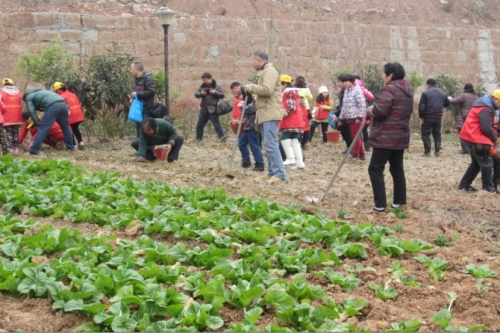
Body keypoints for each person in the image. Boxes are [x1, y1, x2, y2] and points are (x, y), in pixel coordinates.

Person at [367, 62, 414, 213]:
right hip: (400, 134)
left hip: (385, 136)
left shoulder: (390, 89)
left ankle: (380, 205)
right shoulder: (408, 90)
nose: (382, 76)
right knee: (397, 168)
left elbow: (380, 110)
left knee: (375, 168)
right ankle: (399, 202)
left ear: (391, 75)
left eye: (384, 73)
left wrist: (370, 110)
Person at [241, 51, 286, 183]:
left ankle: (279, 174)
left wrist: (251, 87)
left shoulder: (269, 71)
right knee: (268, 143)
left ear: (258, 60)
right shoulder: (265, 72)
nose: (252, 63)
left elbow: (267, 90)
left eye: (253, 61)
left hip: (270, 112)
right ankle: (272, 172)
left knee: (271, 143)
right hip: (265, 112)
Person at [457, 90, 500, 194]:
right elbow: (486, 127)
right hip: (476, 138)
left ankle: (464, 185)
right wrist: (495, 139)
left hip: (469, 135)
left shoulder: (483, 104)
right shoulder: (486, 108)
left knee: (476, 163)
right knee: (487, 163)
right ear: (495, 99)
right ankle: (488, 188)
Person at [23, 88, 74, 155]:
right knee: (66, 127)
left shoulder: (29, 97)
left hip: (53, 106)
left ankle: (34, 149)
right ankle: (70, 148)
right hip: (64, 105)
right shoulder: (41, 92)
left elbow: (31, 111)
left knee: (43, 128)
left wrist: (37, 122)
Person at [230, 82, 264, 171]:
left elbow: (250, 109)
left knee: (254, 146)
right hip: (247, 126)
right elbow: (246, 113)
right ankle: (246, 161)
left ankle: (260, 164)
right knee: (241, 143)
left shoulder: (258, 100)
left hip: (253, 126)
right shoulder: (249, 100)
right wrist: (241, 119)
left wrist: (242, 106)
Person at [279, 75, 305, 170]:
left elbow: (291, 107)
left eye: (279, 85)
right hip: (297, 121)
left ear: (285, 84)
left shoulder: (288, 93)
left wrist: (282, 114)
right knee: (295, 140)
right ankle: (300, 162)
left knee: (283, 138)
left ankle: (290, 158)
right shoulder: (293, 93)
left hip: (290, 121)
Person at [418, 78, 450, 157]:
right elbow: (447, 104)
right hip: (438, 116)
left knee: (425, 133)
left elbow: (422, 106)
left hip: (428, 116)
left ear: (428, 85)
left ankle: (427, 152)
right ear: (436, 84)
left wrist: (421, 116)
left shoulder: (425, 93)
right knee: (437, 134)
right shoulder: (443, 93)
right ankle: (437, 151)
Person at [338, 74, 367, 161]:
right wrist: (341, 118)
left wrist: (359, 116)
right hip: (349, 117)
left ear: (351, 81)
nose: (344, 84)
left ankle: (355, 154)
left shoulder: (357, 91)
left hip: (355, 117)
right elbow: (344, 106)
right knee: (354, 135)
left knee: (355, 136)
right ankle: (362, 154)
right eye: (343, 82)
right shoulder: (347, 91)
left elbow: (362, 105)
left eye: (346, 82)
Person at [194, 72, 225, 142]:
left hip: (213, 110)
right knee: (199, 125)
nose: (204, 81)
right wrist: (201, 93)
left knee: (217, 126)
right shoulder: (202, 86)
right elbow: (196, 94)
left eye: (205, 80)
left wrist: (215, 92)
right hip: (204, 109)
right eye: (203, 80)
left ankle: (223, 140)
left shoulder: (217, 86)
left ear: (210, 78)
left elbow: (222, 95)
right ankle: (198, 139)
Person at [53, 82, 85, 150]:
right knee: (75, 129)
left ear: (59, 89)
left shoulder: (61, 97)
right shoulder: (73, 94)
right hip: (78, 114)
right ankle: (81, 142)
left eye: (56, 91)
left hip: (71, 115)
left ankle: (73, 145)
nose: (56, 92)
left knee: (68, 130)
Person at [130, 61, 157, 137]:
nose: (130, 71)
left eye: (131, 69)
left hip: (146, 110)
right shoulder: (135, 79)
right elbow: (136, 91)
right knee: (139, 130)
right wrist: (133, 98)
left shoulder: (148, 78)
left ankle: (148, 148)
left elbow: (152, 91)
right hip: (138, 109)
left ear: (137, 69)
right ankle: (140, 146)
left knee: (146, 130)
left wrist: (137, 94)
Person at [449, 83, 477, 155]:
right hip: (473, 116)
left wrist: (450, 99)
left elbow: (454, 102)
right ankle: (471, 149)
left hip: (463, 115)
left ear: (464, 89)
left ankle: (465, 149)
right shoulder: (475, 96)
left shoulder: (463, 95)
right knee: (470, 132)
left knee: (462, 133)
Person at [0, 78, 23, 154]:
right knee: (16, 132)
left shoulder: (1, 92)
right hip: (17, 116)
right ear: (12, 84)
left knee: (9, 132)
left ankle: (10, 148)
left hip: (7, 116)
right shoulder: (18, 93)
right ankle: (16, 149)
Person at [354, 75, 375, 152]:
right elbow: (372, 97)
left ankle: (357, 148)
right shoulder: (362, 89)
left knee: (355, 131)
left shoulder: (351, 88)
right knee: (364, 130)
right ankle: (366, 146)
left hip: (354, 114)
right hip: (363, 112)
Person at [333, 76, 352, 153]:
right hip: (343, 113)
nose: (338, 84)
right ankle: (349, 147)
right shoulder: (344, 91)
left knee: (346, 131)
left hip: (345, 115)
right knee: (343, 131)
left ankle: (351, 149)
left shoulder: (346, 91)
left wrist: (337, 114)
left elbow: (345, 105)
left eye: (339, 82)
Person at [295, 76, 313, 148]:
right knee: (305, 126)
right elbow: (310, 97)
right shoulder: (306, 89)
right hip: (306, 108)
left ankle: (300, 142)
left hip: (297, 107)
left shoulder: (294, 89)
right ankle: (304, 143)